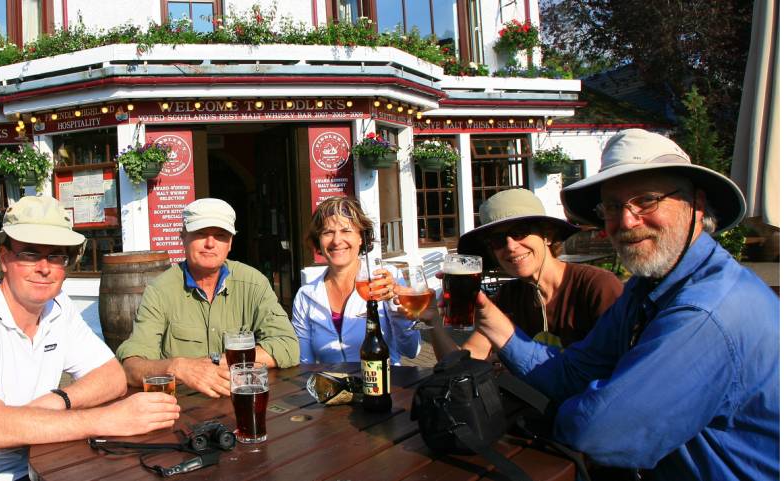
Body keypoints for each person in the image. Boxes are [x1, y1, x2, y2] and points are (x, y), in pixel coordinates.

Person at [473, 129, 779, 480]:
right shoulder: (647, 289)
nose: (627, 221)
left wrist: (579, 407)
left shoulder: (706, 312)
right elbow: (574, 372)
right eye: (613, 207)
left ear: (695, 204)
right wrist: (494, 323)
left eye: (647, 200)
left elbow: (603, 431)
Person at [0, 196, 180, 480]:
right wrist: (109, 419)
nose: (44, 267)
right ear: (4, 258)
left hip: (38, 462)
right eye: (30, 253)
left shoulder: (58, 307)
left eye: (56, 255)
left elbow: (112, 376)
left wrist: (58, 400)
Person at [116, 198, 300, 398]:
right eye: (201, 234)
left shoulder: (253, 283)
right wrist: (178, 367)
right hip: (183, 409)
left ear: (229, 243)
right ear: (183, 237)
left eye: (220, 236)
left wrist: (220, 363)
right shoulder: (160, 291)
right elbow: (130, 367)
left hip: (241, 402)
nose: (210, 243)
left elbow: (288, 346)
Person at [429, 188, 623, 360]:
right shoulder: (507, 297)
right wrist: (433, 321)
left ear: (547, 235)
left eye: (520, 232)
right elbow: (464, 363)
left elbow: (619, 367)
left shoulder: (597, 286)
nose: (511, 246)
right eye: (498, 240)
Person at [291, 196, 421, 364]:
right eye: (328, 232)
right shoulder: (306, 296)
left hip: (383, 385)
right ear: (318, 241)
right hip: (333, 388)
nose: (337, 241)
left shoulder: (384, 280)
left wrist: (395, 304)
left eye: (346, 231)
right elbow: (304, 362)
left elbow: (412, 350)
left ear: (361, 237)